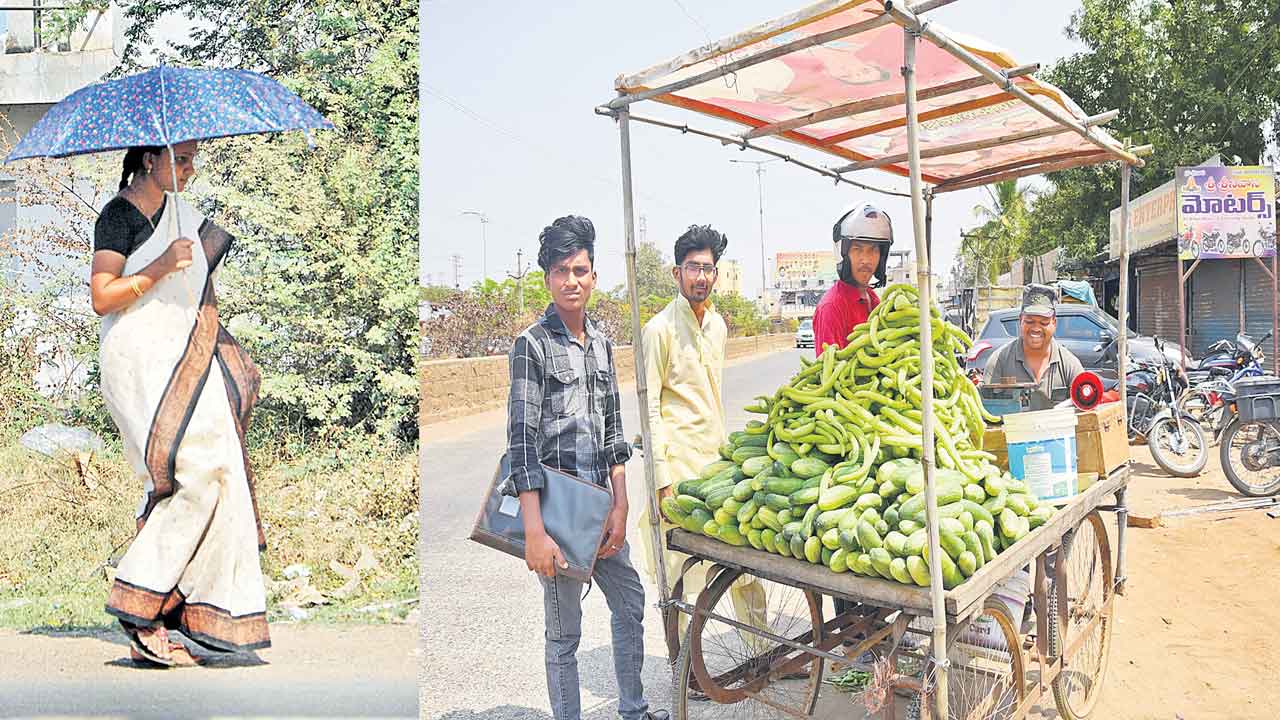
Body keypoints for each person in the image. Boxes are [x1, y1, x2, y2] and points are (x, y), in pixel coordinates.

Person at [93, 142, 269, 667]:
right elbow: (103, 295)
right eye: (183, 160)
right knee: (187, 474)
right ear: (152, 159)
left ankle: (189, 610)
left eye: (192, 160)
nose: (192, 170)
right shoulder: (118, 216)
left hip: (185, 356)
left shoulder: (180, 216)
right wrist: (163, 266)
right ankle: (140, 601)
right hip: (139, 365)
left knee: (221, 472)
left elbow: (197, 287)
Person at [506, 215, 668, 720]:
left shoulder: (600, 342)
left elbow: (614, 432)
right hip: (558, 513)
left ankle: (633, 709)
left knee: (631, 603)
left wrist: (621, 504)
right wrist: (534, 531)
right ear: (547, 278)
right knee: (564, 635)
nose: (570, 281)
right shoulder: (531, 346)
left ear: (594, 275)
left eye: (579, 269)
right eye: (560, 271)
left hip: (602, 505)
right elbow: (522, 444)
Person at [639, 226, 766, 648]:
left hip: (715, 462)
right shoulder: (658, 331)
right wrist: (660, 479)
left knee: (746, 561)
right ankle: (684, 667)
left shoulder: (718, 327)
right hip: (677, 469)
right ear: (677, 273)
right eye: (692, 267)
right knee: (681, 574)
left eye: (708, 268)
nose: (700, 277)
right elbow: (649, 409)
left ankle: (762, 649)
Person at [811, 203, 894, 623]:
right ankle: (848, 625)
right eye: (859, 248)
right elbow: (833, 381)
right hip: (847, 434)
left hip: (878, 426)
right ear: (844, 252)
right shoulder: (833, 305)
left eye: (874, 250)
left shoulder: (874, 299)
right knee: (848, 530)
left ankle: (874, 621)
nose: (867, 259)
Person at [982, 284, 1086, 410]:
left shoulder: (1070, 365)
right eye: (1029, 321)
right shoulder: (999, 361)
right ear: (1020, 320)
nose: (1036, 328)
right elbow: (986, 412)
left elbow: (1084, 410)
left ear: (1054, 323)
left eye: (1044, 322)